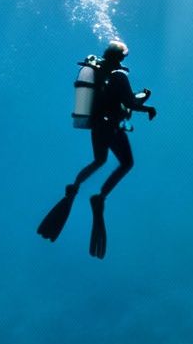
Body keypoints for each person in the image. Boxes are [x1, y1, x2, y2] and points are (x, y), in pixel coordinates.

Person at [36, 40, 156, 258]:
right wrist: (148, 105)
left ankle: (74, 187)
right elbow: (129, 103)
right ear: (122, 57)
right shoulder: (119, 75)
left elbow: (119, 100)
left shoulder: (100, 72)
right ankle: (100, 197)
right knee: (127, 163)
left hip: (96, 125)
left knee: (99, 160)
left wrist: (139, 98)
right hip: (111, 127)